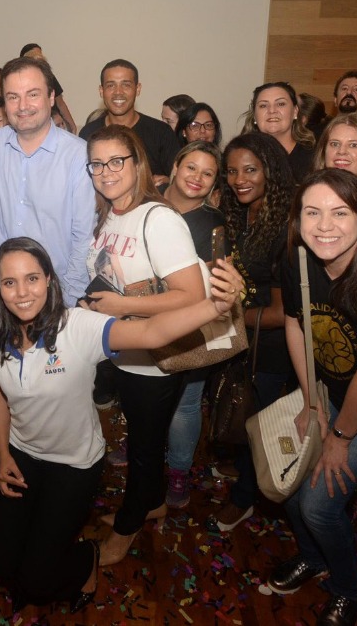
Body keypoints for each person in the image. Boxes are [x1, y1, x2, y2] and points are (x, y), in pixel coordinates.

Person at [0, 236, 242, 610]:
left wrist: (214, 306)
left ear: (49, 280)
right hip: (22, 456)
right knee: (1, 565)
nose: (22, 292)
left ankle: (86, 558)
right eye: (10, 282)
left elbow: (152, 333)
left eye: (32, 278)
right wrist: (4, 454)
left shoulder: (77, 327)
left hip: (73, 465)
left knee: (37, 580)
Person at [262, 168, 357, 626]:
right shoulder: (298, 260)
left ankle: (348, 587)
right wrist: (312, 403)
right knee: (291, 486)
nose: (324, 226)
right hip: (325, 390)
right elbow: (295, 325)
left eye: (340, 213)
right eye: (312, 213)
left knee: (319, 505)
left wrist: (340, 436)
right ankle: (313, 557)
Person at [80, 125, 218, 567]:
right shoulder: (110, 215)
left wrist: (121, 304)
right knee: (145, 441)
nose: (106, 171)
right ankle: (153, 501)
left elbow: (191, 295)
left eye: (116, 161)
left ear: (137, 163)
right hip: (128, 352)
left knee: (143, 448)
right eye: (96, 163)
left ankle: (128, 525)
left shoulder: (158, 218)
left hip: (157, 361)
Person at [207, 132, 297, 534]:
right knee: (241, 415)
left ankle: (245, 498)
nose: (239, 179)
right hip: (242, 339)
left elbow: (281, 313)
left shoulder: (286, 228)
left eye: (250, 170)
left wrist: (224, 315)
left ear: (270, 172)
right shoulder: (241, 215)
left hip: (272, 349)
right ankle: (243, 473)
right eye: (231, 172)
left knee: (258, 425)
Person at [0, 56, 95, 303]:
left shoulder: (79, 155)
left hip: (60, 291)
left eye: (33, 94)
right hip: (5, 289)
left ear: (51, 97)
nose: (22, 106)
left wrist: (69, 300)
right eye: (13, 97)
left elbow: (84, 236)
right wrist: (8, 249)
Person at [159, 141, 226, 508]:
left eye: (207, 173)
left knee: (185, 403)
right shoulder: (147, 200)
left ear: (215, 183)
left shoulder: (214, 223)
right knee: (144, 395)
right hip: (141, 318)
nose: (197, 177)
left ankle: (179, 471)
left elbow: (211, 285)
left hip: (191, 326)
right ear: (175, 166)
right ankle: (142, 449)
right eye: (191, 167)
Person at [78, 60, 180, 181]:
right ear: (101, 91)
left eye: (126, 85)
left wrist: (169, 183)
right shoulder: (88, 133)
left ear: (138, 89)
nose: (118, 92)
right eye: (111, 85)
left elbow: (177, 178)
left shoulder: (161, 133)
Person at [245, 81, 316, 181]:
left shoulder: (315, 157)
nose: (272, 110)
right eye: (263, 105)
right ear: (255, 116)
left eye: (281, 104)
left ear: (295, 111)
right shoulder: (242, 156)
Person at [18, 43, 77, 133]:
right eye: (35, 54)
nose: (39, 57)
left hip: (54, 122)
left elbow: (60, 102)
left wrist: (72, 125)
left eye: (40, 54)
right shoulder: (18, 80)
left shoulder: (49, 76)